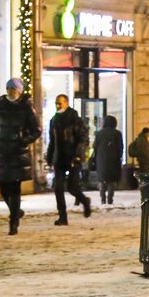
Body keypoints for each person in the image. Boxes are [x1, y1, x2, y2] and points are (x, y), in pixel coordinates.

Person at [0, 78, 40, 234]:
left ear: (19, 90)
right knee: (2, 186)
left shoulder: (26, 106)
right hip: (3, 151)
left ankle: (13, 223)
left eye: (13, 88)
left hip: (18, 153)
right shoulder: (1, 103)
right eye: (8, 88)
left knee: (14, 187)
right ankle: (16, 211)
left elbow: (36, 130)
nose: (10, 91)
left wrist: (23, 141)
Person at [46, 94, 92, 226]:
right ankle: (62, 216)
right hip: (59, 158)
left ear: (66, 103)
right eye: (56, 103)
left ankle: (84, 201)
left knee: (72, 187)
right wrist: (50, 157)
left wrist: (78, 155)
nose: (58, 106)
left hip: (72, 158)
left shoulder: (74, 119)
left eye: (60, 103)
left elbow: (83, 138)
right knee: (58, 187)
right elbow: (52, 141)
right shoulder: (54, 120)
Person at [91, 114, 123, 206]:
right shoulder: (117, 133)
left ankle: (103, 199)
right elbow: (120, 147)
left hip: (101, 160)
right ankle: (110, 199)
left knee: (102, 180)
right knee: (111, 181)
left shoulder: (99, 133)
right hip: (114, 160)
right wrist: (119, 157)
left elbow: (95, 146)